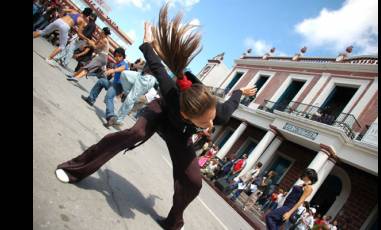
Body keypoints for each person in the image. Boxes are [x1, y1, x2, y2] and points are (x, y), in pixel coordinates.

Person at [54, 4, 257, 230]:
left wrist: (240, 92)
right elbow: (156, 65)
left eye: (210, 120)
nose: (210, 125)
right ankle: (75, 169)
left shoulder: (217, 113)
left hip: (180, 133)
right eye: (205, 122)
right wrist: (147, 43)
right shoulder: (171, 92)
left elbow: (230, 104)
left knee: (194, 182)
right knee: (135, 133)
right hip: (160, 113)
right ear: (186, 113)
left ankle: (173, 222)